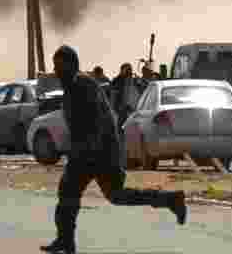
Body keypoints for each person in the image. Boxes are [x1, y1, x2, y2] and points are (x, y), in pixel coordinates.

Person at [41, 45, 186, 254]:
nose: (56, 71)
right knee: (74, 193)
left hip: (101, 153)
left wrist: (92, 151)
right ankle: (65, 240)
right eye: (55, 66)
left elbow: (102, 120)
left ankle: (171, 199)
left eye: (59, 66)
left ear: (71, 65)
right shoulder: (73, 86)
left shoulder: (84, 85)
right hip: (87, 153)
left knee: (112, 195)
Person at [109, 63, 140, 128]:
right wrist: (115, 107)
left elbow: (138, 92)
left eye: (130, 69)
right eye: (127, 70)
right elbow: (113, 94)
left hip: (132, 107)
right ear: (122, 70)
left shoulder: (135, 80)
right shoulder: (117, 80)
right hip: (121, 107)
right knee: (121, 124)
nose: (129, 71)